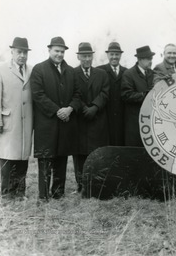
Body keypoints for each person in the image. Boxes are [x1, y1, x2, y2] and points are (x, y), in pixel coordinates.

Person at [30, 36, 81, 202]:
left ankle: (58, 193)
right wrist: (57, 111)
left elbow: (78, 94)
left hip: (65, 122)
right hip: (47, 123)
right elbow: (38, 95)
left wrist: (70, 108)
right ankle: (43, 195)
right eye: (56, 51)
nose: (59, 54)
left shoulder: (71, 71)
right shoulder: (39, 69)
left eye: (62, 51)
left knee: (61, 157)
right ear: (49, 50)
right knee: (45, 158)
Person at [0, 37, 33, 201]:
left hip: (25, 123)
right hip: (8, 122)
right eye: (19, 52)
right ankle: (7, 194)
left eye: (25, 52)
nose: (22, 55)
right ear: (12, 52)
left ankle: (20, 192)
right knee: (8, 158)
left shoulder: (30, 70)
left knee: (22, 157)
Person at [73, 42, 109, 193]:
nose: (86, 59)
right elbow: (72, 93)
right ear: (78, 57)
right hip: (79, 121)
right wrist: (83, 108)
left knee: (96, 154)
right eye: (83, 56)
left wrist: (94, 107)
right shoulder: (72, 73)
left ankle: (95, 185)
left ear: (92, 56)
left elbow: (105, 92)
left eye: (89, 56)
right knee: (79, 154)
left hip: (97, 120)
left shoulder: (101, 74)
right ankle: (81, 185)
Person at [121, 45, 155, 146]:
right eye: (148, 59)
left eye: (151, 58)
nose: (151, 61)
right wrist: (145, 96)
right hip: (134, 121)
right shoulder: (129, 74)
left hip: (150, 121)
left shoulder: (152, 74)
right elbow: (126, 95)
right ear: (140, 59)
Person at [97, 42, 127, 146]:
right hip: (105, 116)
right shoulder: (99, 70)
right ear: (107, 55)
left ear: (120, 55)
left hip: (121, 117)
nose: (114, 57)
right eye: (112, 54)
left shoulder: (127, 72)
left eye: (117, 54)